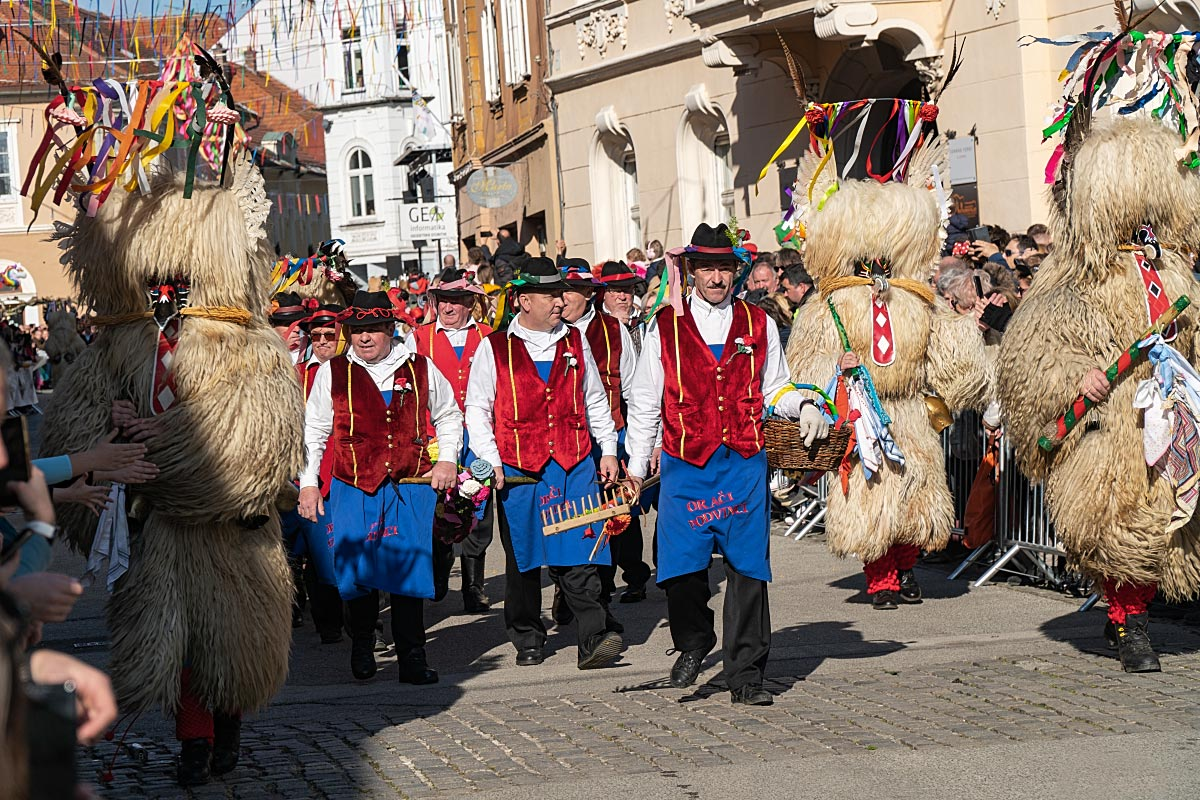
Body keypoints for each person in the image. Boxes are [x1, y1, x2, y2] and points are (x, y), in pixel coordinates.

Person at [1000, 30, 1200, 673]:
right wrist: (1075, 381)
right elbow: (1035, 349)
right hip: (1111, 422)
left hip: (1174, 414)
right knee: (1114, 523)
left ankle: (1135, 611)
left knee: (1172, 520)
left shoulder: (1175, 273)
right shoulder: (1071, 277)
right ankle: (1128, 619)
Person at [624, 223, 829, 705]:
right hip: (685, 465)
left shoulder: (758, 324)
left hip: (742, 462)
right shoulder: (664, 327)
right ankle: (694, 642)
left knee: (748, 569)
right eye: (708, 268)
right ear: (692, 271)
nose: (717, 278)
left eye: (724, 268)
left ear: (736, 272)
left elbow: (774, 384)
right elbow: (646, 401)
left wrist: (802, 405)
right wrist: (635, 466)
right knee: (679, 570)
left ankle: (747, 673)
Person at [465, 257, 623, 669]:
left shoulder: (575, 340)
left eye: (562, 293)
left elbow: (594, 399)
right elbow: (477, 409)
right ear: (523, 301)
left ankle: (594, 637)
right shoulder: (493, 347)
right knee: (524, 556)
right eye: (551, 294)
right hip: (520, 468)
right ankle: (527, 634)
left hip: (574, 463)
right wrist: (490, 460)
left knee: (582, 548)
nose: (560, 301)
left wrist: (606, 449)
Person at [299, 291, 462, 685]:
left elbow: (449, 414)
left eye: (372, 330)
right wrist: (307, 484)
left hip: (409, 484)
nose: (364, 338)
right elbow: (315, 431)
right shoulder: (332, 372)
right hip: (353, 483)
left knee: (406, 568)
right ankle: (362, 645)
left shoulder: (420, 367)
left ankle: (412, 657)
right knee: (359, 569)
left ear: (390, 329)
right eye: (356, 331)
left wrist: (447, 459)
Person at [405, 268, 495, 613]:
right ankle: (440, 572)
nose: (448, 307)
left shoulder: (488, 336)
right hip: (435, 434)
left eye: (456, 301)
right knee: (438, 505)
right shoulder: (419, 338)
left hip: (478, 434)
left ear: (470, 303)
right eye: (443, 300)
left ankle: (474, 585)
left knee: (478, 505)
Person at [295, 302, 347, 643]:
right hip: (311, 471)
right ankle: (327, 622)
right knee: (317, 551)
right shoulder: (297, 373)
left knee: (357, 544)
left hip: (351, 469)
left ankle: (366, 625)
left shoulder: (357, 369)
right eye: (316, 336)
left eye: (330, 335)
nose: (323, 342)